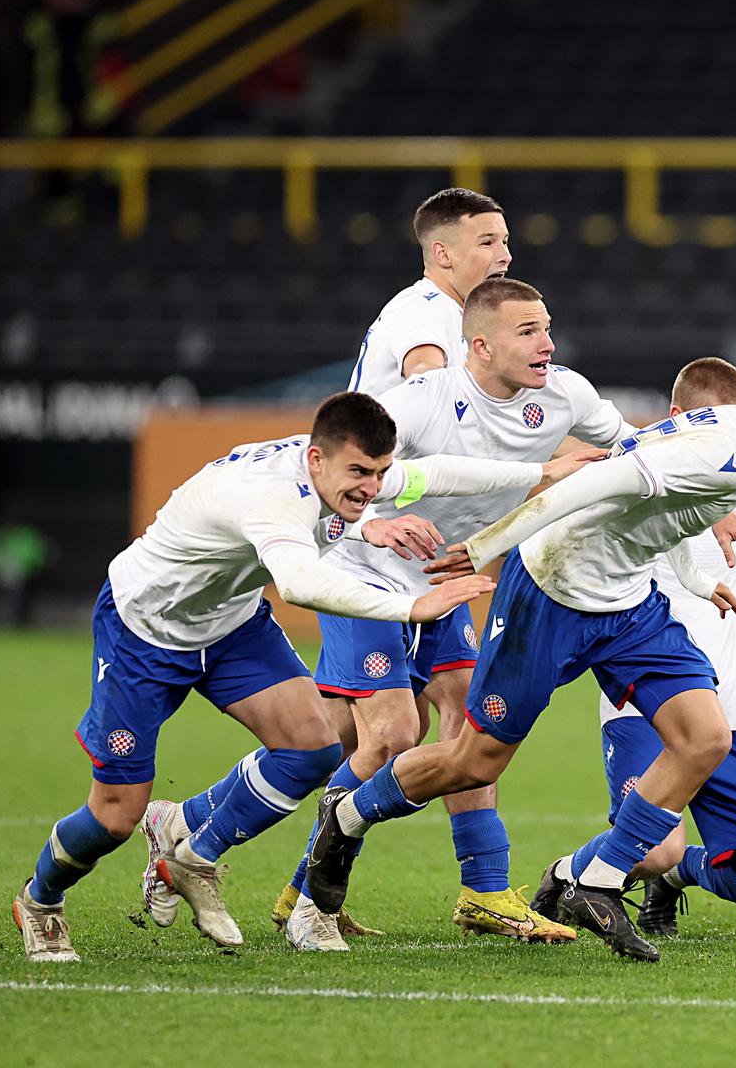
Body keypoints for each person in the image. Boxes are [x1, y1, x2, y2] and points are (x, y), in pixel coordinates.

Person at [305, 334, 736, 962]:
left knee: (706, 736)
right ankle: (347, 816)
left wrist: (700, 580)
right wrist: (490, 543)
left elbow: (664, 505)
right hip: (551, 589)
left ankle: (596, 882)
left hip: (624, 602)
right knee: (473, 762)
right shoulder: (729, 450)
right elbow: (597, 483)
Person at [11, 392, 564, 962]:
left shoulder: (338, 469)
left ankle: (192, 853)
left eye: (377, 474)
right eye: (359, 474)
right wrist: (411, 608)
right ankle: (41, 899)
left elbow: (434, 473)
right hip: (145, 632)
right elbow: (300, 584)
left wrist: (543, 469)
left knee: (312, 748)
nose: (370, 487)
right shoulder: (274, 498)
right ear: (317, 460)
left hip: (231, 623)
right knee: (115, 816)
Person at [267, 278, 626, 950]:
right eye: (529, 332)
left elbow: (632, 447)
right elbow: (328, 464)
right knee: (391, 736)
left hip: (442, 583)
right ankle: (306, 893)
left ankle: (484, 890)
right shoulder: (422, 401)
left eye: (548, 327)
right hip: (362, 573)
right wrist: (371, 521)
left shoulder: (565, 394)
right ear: (481, 345)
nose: (548, 343)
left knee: (471, 714)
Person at [529, 357, 736, 938]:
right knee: (654, 848)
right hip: (647, 702)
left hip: (731, 711)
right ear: (679, 418)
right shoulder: (650, 477)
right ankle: (569, 873)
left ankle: (679, 876)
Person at [348, 187, 511, 395]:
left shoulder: (455, 312)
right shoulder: (424, 307)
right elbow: (425, 382)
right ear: (443, 254)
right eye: (487, 243)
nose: (506, 256)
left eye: (504, 242)